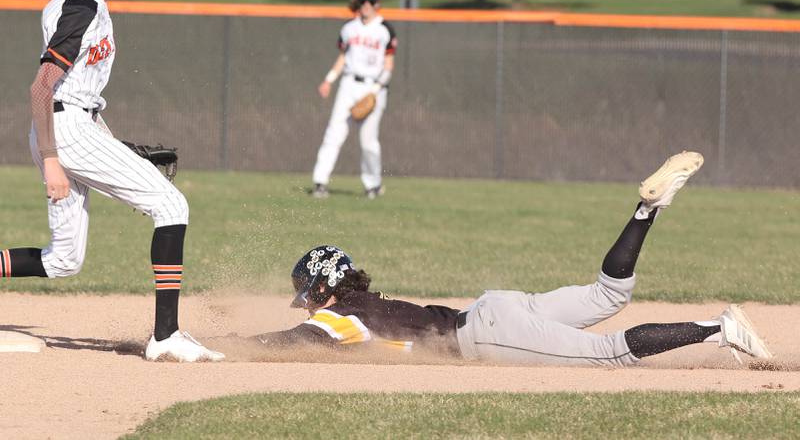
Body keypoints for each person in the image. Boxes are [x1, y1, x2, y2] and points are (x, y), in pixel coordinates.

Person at [248, 151, 773, 366]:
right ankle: (646, 210)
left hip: (481, 335)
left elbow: (294, 341)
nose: (304, 305)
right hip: (492, 310)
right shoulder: (366, 300)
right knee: (608, 295)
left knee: (610, 354)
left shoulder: (341, 316)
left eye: (306, 294)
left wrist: (223, 347)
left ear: (321, 289)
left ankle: (719, 329)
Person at [0, 0, 223, 362]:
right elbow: (42, 89)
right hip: (63, 132)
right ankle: (166, 336)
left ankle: (167, 335)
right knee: (172, 206)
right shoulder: (81, 8)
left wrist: (108, 143)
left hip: (73, 126)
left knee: (64, 260)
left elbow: (73, 90)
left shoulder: (74, 3)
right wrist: (52, 161)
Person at [311, 0, 398, 200]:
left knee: (368, 141)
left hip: (373, 87)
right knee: (334, 134)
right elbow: (343, 58)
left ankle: (373, 185)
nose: (365, 6)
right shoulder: (349, 28)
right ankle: (320, 182)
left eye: (370, 2)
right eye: (362, 2)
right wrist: (329, 80)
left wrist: (376, 89)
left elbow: (389, 64)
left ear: (377, 4)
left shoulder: (385, 29)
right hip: (349, 84)